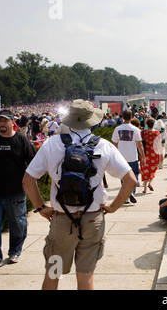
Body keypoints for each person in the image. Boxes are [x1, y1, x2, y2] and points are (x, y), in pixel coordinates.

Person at [22, 99, 136, 290]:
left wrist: (41, 207)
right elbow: (131, 180)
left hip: (61, 221)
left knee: (53, 273)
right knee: (85, 276)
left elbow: (28, 180)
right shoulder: (103, 146)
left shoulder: (52, 144)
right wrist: (112, 207)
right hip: (92, 220)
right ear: (92, 120)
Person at [0, 109, 36, 267]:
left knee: (18, 225)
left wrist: (28, 181)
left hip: (16, 192)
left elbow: (33, 164)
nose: (2, 124)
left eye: (5, 121)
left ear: (13, 122)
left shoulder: (22, 141)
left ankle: (14, 252)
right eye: (0, 121)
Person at [111, 109, 145, 203]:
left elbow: (114, 144)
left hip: (121, 157)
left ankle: (126, 197)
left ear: (122, 118)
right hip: (133, 156)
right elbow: (139, 144)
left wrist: (114, 156)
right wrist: (143, 156)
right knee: (135, 175)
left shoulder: (117, 129)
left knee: (123, 176)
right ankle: (131, 192)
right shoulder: (135, 129)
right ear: (131, 117)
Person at [140, 117, 161, 193]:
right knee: (153, 169)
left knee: (145, 170)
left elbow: (140, 143)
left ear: (146, 124)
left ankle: (145, 188)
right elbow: (159, 144)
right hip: (154, 153)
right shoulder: (157, 133)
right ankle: (150, 183)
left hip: (144, 153)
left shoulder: (143, 133)